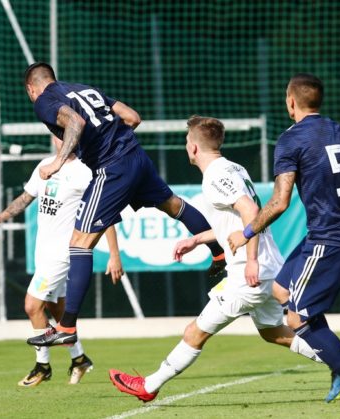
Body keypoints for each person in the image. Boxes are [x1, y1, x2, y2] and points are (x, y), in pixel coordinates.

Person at [109, 115, 326, 402]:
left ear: (194, 147)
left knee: (195, 332)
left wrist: (251, 260)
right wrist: (196, 239)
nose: (186, 147)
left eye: (187, 141)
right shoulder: (234, 168)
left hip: (248, 273)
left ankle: (148, 386)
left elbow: (250, 212)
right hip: (267, 267)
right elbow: (236, 222)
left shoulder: (215, 175)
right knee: (274, 333)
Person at [22, 62, 226, 347]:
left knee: (79, 243)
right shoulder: (85, 89)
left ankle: (67, 327)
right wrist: (113, 140)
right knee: (173, 205)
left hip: (111, 168)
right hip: (135, 156)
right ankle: (219, 253)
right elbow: (132, 117)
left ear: (31, 89)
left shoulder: (44, 101)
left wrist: (57, 162)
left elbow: (76, 123)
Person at [228, 74, 340, 414]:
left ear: (291, 102)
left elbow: (280, 202)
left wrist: (246, 233)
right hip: (330, 233)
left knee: (297, 318)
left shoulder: (291, 140)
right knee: (281, 291)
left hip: (330, 238)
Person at [0, 136, 124, 387]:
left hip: (63, 253)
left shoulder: (85, 171)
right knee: (56, 307)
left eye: (65, 134)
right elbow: (26, 197)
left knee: (32, 306)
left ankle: (42, 366)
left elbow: (105, 213)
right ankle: (79, 359)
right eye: (57, 134)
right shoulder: (45, 165)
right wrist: (1, 216)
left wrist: (114, 254)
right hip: (43, 251)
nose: (60, 139)